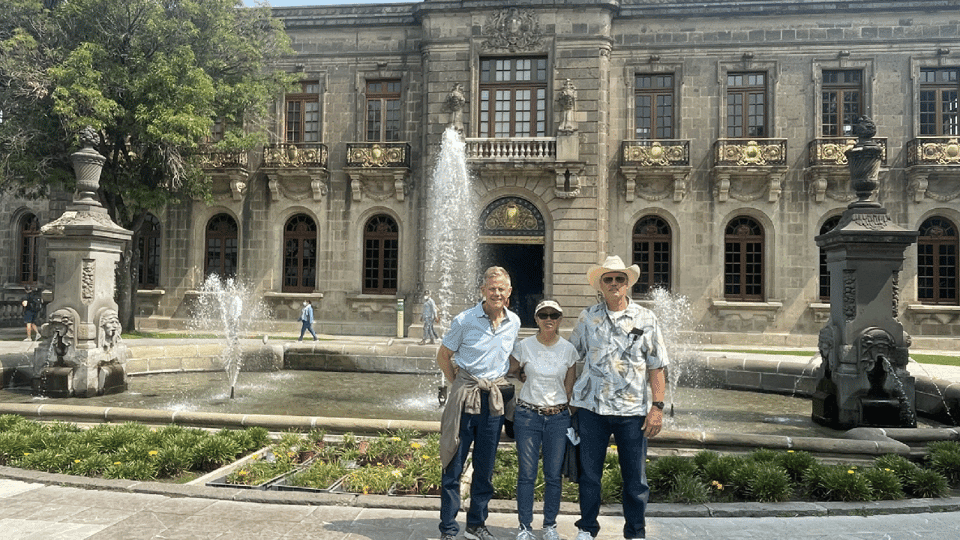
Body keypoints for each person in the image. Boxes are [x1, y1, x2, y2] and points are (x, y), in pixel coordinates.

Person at [570, 255, 668, 540]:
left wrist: (657, 408)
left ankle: (635, 532)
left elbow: (657, 366)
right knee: (589, 476)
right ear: (601, 285)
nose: (614, 284)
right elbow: (571, 357)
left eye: (619, 279)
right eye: (608, 279)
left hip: (632, 412)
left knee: (635, 480)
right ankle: (587, 528)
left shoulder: (646, 319)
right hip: (591, 408)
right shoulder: (588, 317)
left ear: (627, 284)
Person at [437, 266, 521, 540]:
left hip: (493, 402)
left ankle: (476, 525)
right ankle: (449, 529)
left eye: (501, 289)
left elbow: (509, 359)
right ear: (483, 290)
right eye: (492, 288)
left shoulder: (514, 322)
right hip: (466, 397)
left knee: (485, 468)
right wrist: (457, 384)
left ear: (508, 293)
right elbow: (444, 355)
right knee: (454, 463)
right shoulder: (465, 320)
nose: (496, 293)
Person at [508, 300, 578, 540]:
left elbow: (569, 389)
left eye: (554, 315)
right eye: (544, 315)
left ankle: (549, 525)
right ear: (536, 319)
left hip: (558, 417)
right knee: (527, 474)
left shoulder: (568, 349)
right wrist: (521, 374)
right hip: (528, 415)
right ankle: (525, 527)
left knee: (552, 475)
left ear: (560, 319)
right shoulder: (524, 346)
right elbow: (510, 369)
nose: (549, 319)